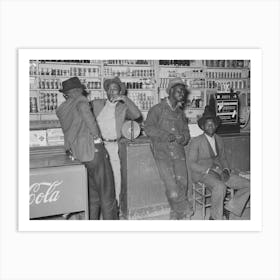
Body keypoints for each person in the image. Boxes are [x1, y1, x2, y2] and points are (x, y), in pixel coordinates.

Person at [56, 77, 118, 220]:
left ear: (66, 94)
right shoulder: (81, 101)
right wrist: (98, 139)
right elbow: (89, 120)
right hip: (93, 151)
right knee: (107, 193)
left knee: (92, 194)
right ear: (79, 90)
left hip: (80, 155)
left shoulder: (63, 108)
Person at [188, 106, 250, 220]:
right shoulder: (196, 141)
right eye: (208, 124)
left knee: (248, 184)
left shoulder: (219, 139)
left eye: (213, 124)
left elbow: (223, 158)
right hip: (203, 174)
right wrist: (208, 170)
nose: (210, 126)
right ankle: (215, 218)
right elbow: (191, 163)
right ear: (202, 126)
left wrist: (226, 170)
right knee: (220, 186)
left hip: (220, 171)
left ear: (216, 126)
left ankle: (229, 207)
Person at [144, 77, 193, 220]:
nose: (182, 94)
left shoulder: (180, 113)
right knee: (172, 187)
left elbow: (186, 133)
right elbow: (149, 129)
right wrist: (168, 136)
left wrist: (183, 138)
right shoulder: (157, 109)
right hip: (162, 154)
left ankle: (176, 215)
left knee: (183, 184)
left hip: (178, 153)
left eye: (183, 92)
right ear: (170, 91)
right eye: (179, 90)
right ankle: (183, 210)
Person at [89, 76, 141, 204]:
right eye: (109, 89)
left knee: (115, 176)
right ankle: (97, 205)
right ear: (106, 91)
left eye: (115, 89)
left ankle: (115, 205)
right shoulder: (97, 104)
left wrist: (124, 99)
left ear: (120, 92)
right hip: (97, 146)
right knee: (97, 178)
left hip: (113, 147)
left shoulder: (122, 108)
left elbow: (137, 115)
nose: (112, 92)